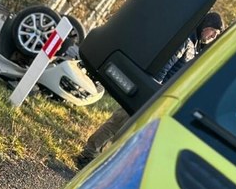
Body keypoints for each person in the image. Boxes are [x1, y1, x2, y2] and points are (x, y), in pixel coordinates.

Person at [73, 12, 223, 169]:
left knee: (126, 130)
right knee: (118, 122)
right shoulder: (186, 42)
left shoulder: (195, 46)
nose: (213, 35)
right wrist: (152, 93)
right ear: (206, 27)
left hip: (156, 95)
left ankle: (97, 160)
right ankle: (87, 154)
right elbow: (165, 68)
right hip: (150, 93)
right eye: (213, 31)